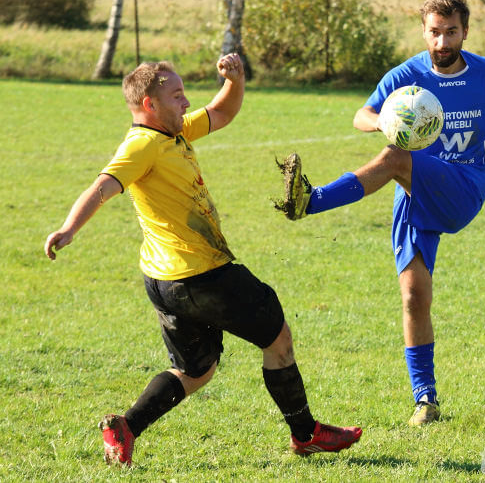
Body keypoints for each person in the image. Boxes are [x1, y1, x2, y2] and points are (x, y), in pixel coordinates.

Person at [275, 0, 485, 426]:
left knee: (394, 159)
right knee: (414, 297)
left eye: (451, 31)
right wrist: (385, 120)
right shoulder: (407, 75)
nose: (443, 39)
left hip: (465, 185)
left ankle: (312, 200)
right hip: (415, 192)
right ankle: (426, 400)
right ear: (424, 31)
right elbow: (363, 114)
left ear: (465, 31)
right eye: (435, 31)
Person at [44, 54, 362, 466]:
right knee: (278, 338)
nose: (186, 101)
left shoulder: (173, 131)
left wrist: (235, 79)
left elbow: (223, 112)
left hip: (163, 281)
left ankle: (126, 427)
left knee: (197, 371)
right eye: (177, 95)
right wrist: (69, 229)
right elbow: (104, 185)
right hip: (202, 276)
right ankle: (306, 435)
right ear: (150, 105)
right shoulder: (142, 144)